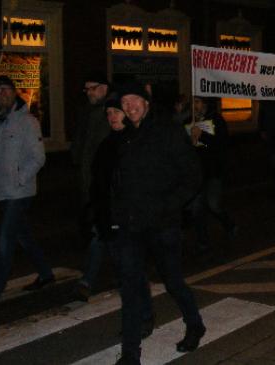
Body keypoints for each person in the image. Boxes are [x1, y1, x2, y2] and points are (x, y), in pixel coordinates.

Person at [112, 82, 206, 365]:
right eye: (125, 102)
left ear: (147, 102)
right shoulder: (123, 136)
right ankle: (130, 354)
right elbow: (117, 182)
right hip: (130, 226)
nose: (130, 106)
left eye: (134, 99)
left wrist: (167, 206)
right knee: (129, 288)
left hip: (162, 224)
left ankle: (195, 324)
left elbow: (192, 177)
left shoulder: (167, 131)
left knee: (173, 282)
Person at [0, 76, 55, 311]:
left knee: (6, 240)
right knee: (23, 235)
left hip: (20, 192)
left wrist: (20, 178)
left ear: (14, 93)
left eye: (6, 90)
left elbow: (38, 157)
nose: (2, 94)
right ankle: (45, 273)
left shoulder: (27, 122)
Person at [187, 95, 237, 257]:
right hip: (196, 172)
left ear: (205, 103)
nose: (195, 106)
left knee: (213, 204)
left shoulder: (216, 120)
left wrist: (203, 137)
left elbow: (221, 143)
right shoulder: (189, 120)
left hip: (213, 170)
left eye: (198, 102)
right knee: (196, 208)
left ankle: (229, 224)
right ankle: (203, 242)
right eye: (193, 102)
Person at [71, 74, 112, 245]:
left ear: (104, 88)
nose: (88, 93)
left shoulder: (110, 111)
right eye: (86, 89)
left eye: (92, 88)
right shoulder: (88, 111)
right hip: (87, 172)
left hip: (101, 176)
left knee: (98, 221)